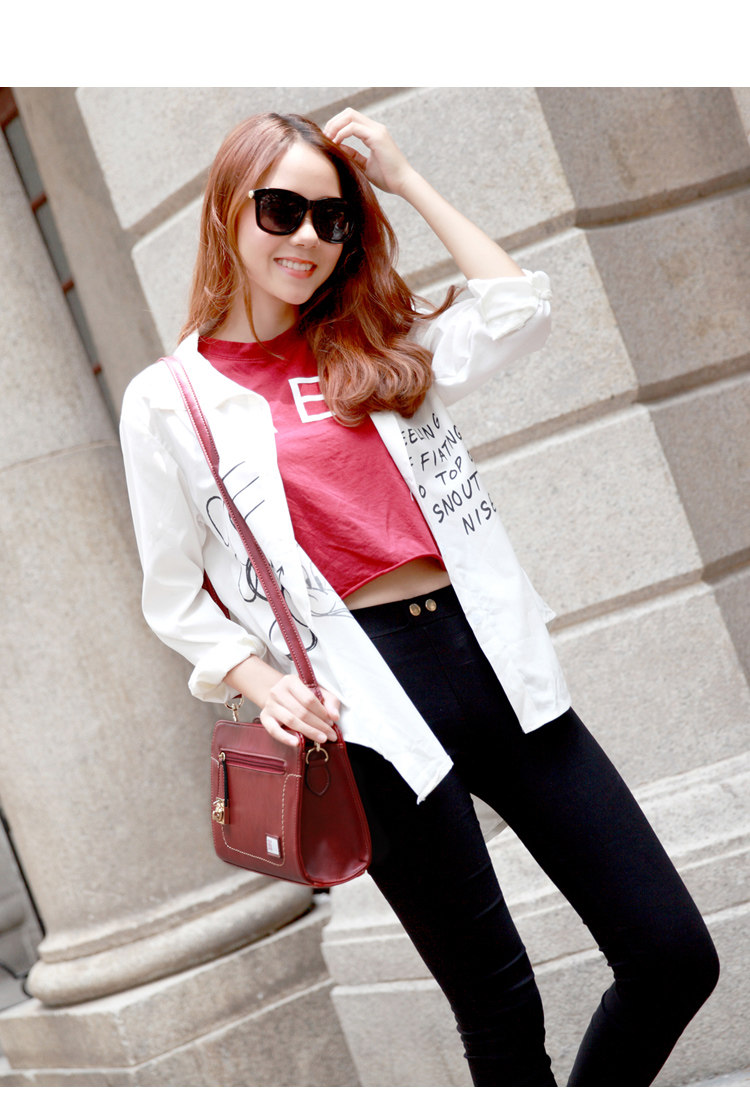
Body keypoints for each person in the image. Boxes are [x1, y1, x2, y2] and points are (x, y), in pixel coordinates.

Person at [119, 106, 719, 1086]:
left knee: (672, 955)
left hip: (487, 659)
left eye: (332, 218)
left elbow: (517, 307)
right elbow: (174, 594)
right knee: (501, 1009)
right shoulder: (168, 401)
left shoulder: (374, 339)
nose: (308, 237)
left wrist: (402, 180)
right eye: (281, 210)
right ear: (229, 209)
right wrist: (261, 683)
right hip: (364, 703)